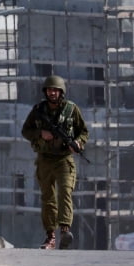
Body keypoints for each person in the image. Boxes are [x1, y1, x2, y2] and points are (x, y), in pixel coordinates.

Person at [21, 75, 88, 250]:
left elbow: (83, 131)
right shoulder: (38, 110)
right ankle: (50, 236)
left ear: (61, 92)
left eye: (55, 90)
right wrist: (40, 134)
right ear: (45, 92)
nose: (52, 93)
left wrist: (79, 143)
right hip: (44, 159)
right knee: (47, 198)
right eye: (49, 90)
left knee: (65, 191)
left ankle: (65, 230)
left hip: (64, 158)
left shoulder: (71, 110)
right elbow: (26, 131)